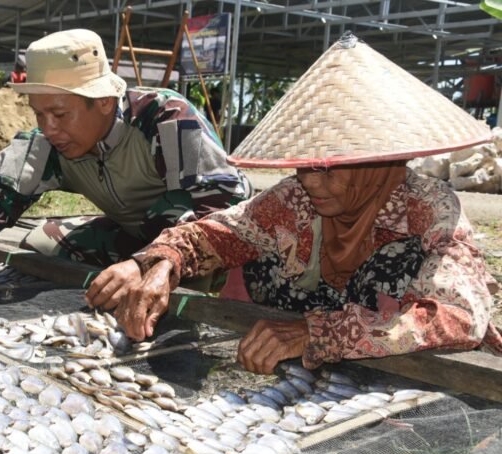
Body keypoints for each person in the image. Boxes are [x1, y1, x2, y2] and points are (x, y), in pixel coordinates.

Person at [87, 33, 502, 374]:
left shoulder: (429, 208)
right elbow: (224, 232)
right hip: (317, 348)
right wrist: (161, 262)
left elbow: (460, 315)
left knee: (392, 264)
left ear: (374, 162)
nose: (309, 181)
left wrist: (318, 334)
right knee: (258, 254)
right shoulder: (297, 197)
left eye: (328, 169)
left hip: (412, 367)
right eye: (305, 167)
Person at [0, 29, 252, 295]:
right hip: (138, 235)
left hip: (206, 242)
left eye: (59, 114)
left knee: (174, 219)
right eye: (39, 115)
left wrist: (149, 263)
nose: (48, 128)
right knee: (43, 243)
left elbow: (221, 209)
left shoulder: (165, 118)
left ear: (102, 102)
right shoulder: (49, 143)